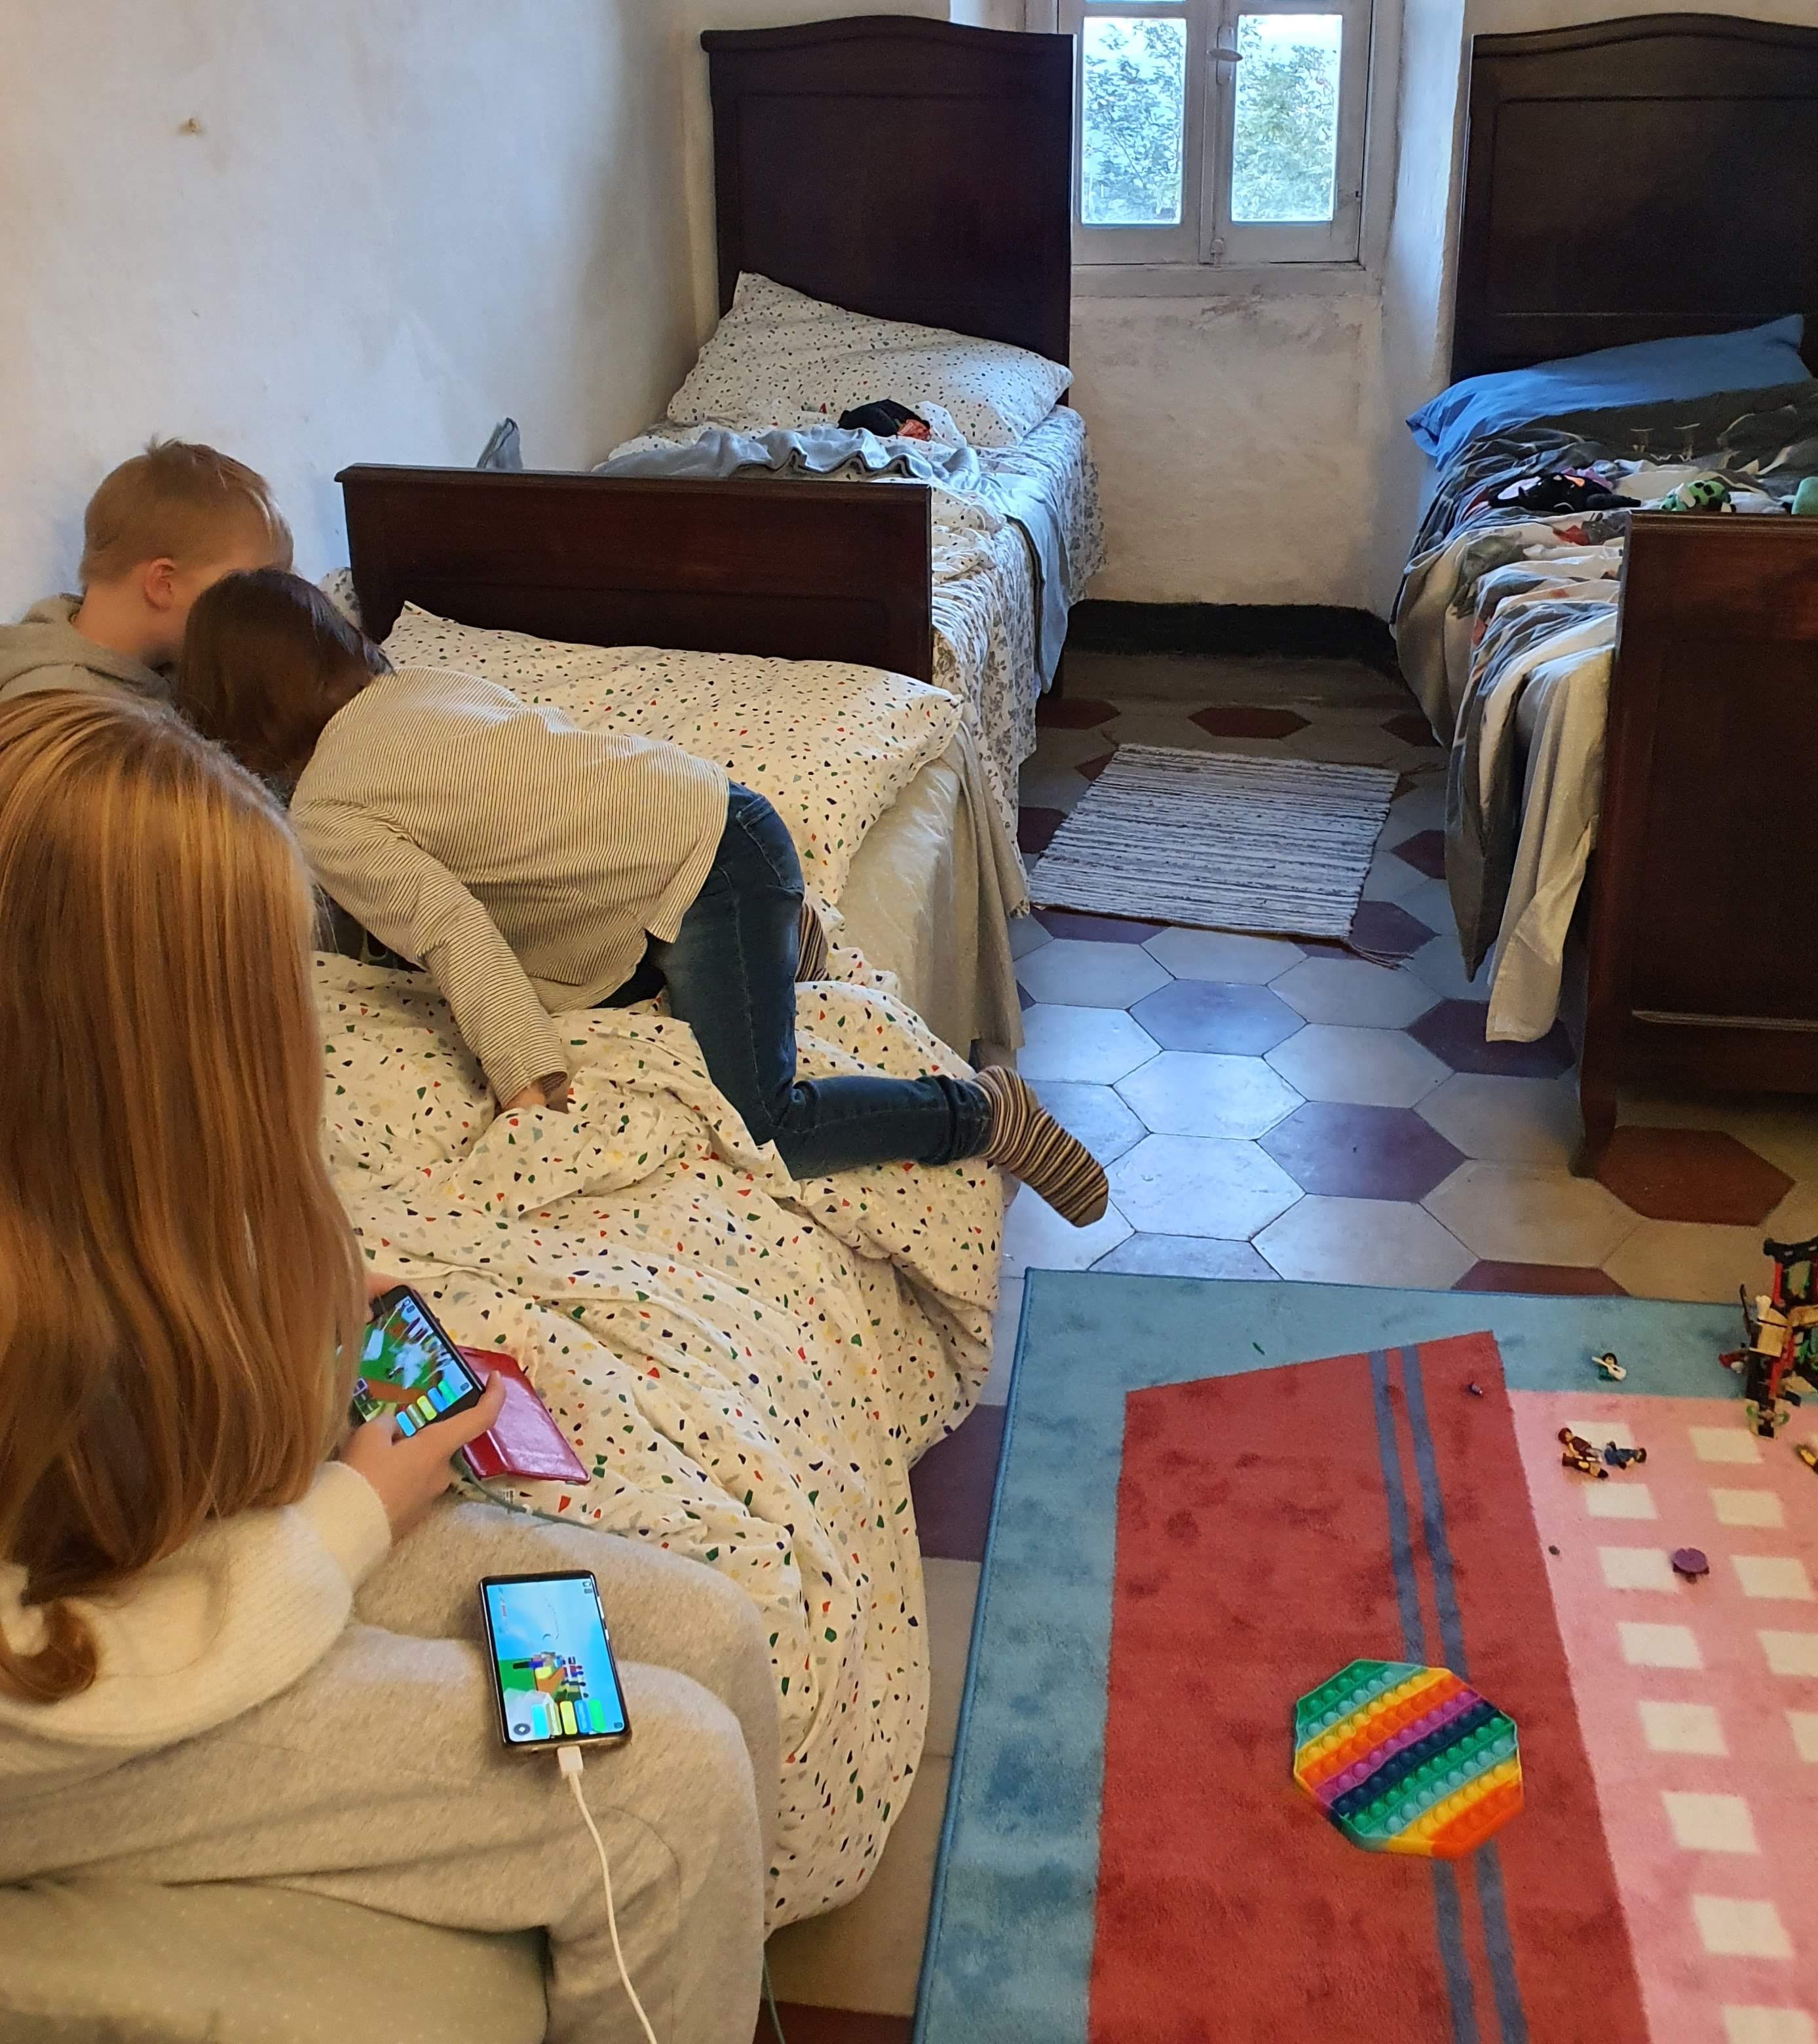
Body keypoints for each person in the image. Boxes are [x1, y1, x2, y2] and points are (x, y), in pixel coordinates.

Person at [0, 693, 777, 2044]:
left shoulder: (72, 1203)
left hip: (166, 1571)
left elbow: (118, 1442)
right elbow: (71, 1682)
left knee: (706, 1632)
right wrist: (357, 1507)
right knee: (666, 1787)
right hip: (75, 1717)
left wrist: (295, 1336)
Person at [176, 568, 1108, 1224]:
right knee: (594, 986)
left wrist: (528, 1079)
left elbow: (455, 928)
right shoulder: (419, 683)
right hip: (722, 817)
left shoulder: (326, 808)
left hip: (712, 873)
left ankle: (982, 1114)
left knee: (764, 1125)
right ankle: (783, 937)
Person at [0, 439, 291, 705]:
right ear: (164, 584)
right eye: (246, 594)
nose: (261, 616)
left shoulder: (160, 672)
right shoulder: (62, 708)